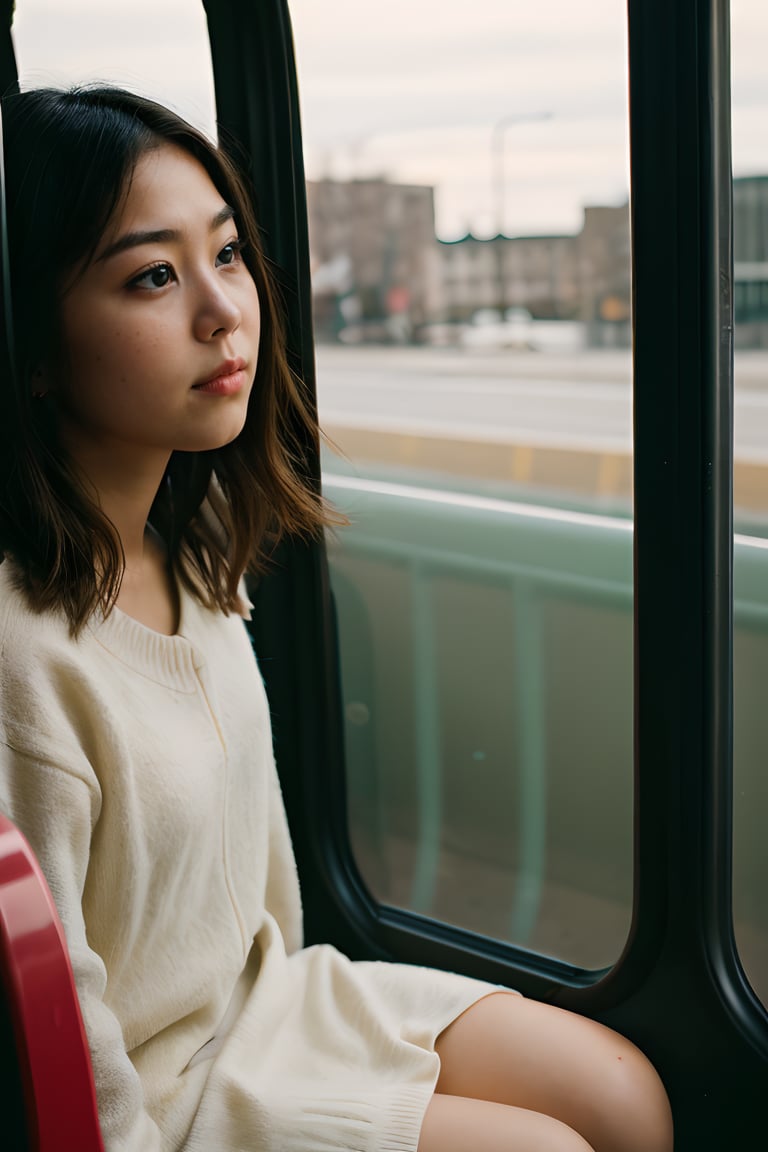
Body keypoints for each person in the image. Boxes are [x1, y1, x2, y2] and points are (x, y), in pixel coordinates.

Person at [0, 86, 673, 1152]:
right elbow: (55, 1039)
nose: (225, 311)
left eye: (227, 254)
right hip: (161, 1100)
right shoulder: (23, 659)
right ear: (31, 344)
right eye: (154, 276)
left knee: (626, 1097)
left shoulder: (195, 544)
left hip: (272, 1002)